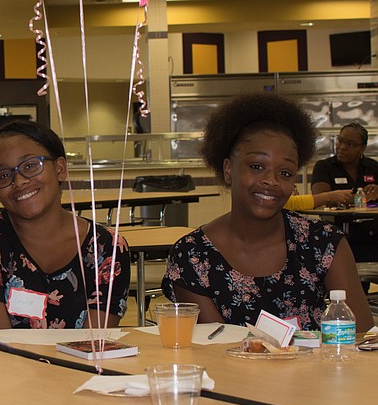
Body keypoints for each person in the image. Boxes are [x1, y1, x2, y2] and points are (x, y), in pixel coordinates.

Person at [162, 93, 372, 332]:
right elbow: (216, 348)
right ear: (229, 170)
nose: (271, 181)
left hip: (319, 368)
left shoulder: (323, 243)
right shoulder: (193, 256)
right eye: (257, 167)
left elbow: (359, 335)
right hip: (228, 369)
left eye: (285, 173)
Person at [0, 120, 130, 331]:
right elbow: (0, 344)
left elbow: (92, 347)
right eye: (3, 176)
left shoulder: (107, 248)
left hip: (79, 364)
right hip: (6, 363)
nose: (19, 181)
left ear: (60, 169)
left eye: (30, 166)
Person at [310, 122, 378, 262]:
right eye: (340, 140)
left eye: (351, 144)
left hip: (371, 238)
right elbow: (321, 197)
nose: (342, 147)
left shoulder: (373, 167)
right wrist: (364, 197)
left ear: (363, 148)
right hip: (335, 237)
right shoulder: (325, 167)